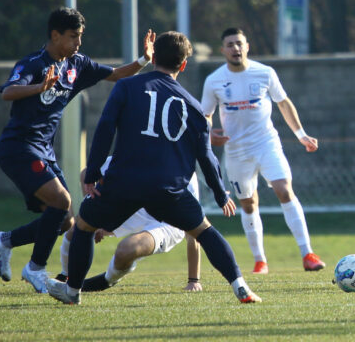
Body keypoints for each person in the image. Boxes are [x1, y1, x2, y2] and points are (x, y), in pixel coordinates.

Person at [46, 31, 261, 305]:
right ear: (183, 65)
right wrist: (221, 194)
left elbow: (104, 129)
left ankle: (73, 291)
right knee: (205, 231)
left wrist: (94, 171)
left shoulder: (126, 87)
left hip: (125, 182)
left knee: (85, 226)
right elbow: (206, 156)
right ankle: (240, 286)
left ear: (154, 57)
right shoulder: (194, 108)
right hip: (169, 188)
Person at [0, 7, 156, 294]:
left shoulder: (78, 64)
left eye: (80, 36)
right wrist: (40, 86)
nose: (79, 42)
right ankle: (35, 268)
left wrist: (144, 60)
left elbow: (116, 74)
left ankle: (5, 240)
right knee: (62, 200)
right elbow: (8, 92)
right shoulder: (33, 64)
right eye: (73, 36)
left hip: (43, 151)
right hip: (19, 148)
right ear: (55, 35)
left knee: (66, 221)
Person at [200, 28, 325, 275]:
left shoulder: (265, 73)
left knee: (284, 190)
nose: (235, 48)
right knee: (248, 203)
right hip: (236, 151)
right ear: (223, 50)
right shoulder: (214, 80)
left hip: (267, 144)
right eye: (230, 44)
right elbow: (205, 115)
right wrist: (209, 133)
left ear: (247, 46)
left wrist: (301, 135)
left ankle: (307, 254)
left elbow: (283, 102)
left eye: (239, 43)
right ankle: (260, 260)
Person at [56, 156, 203, 292]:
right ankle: (65, 276)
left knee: (126, 250)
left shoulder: (184, 170)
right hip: (137, 208)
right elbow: (87, 174)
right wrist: (95, 217)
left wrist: (193, 280)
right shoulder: (138, 149)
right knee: (78, 228)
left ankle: (106, 281)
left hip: (168, 223)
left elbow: (193, 231)